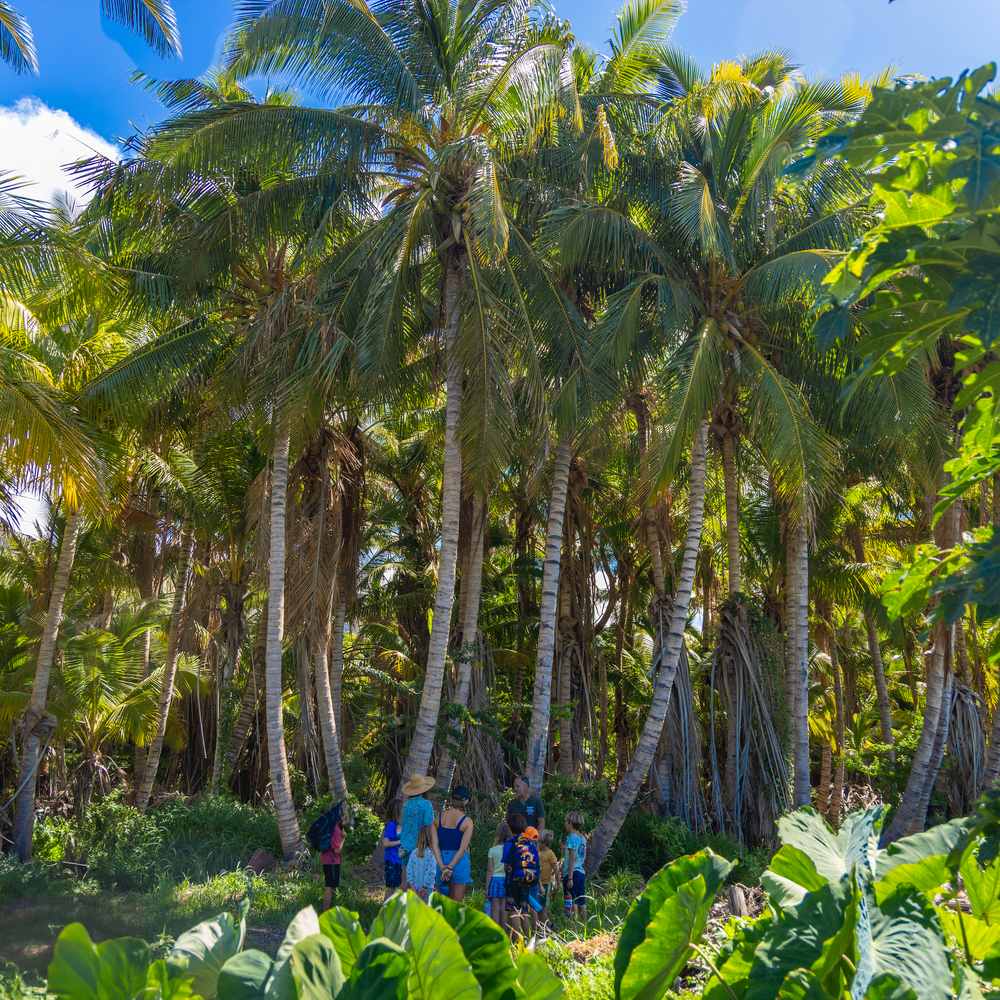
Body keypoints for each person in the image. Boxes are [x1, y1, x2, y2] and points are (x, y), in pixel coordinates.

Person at [432, 785, 474, 903]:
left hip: (441, 860)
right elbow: (463, 848)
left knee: (442, 903)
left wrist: (442, 866)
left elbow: (434, 846)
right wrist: (450, 867)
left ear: (451, 799)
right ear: (466, 801)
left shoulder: (438, 818)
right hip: (458, 862)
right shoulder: (467, 821)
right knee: (456, 903)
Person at [502, 812, 539, 941]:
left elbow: (505, 865)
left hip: (512, 882)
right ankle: (527, 939)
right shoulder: (530, 842)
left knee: (514, 911)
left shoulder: (508, 844)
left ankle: (517, 941)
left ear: (509, 828)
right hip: (527, 880)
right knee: (524, 910)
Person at [399, 774, 435, 890]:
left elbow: (404, 826)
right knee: (421, 880)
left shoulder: (406, 805)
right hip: (422, 847)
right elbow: (429, 826)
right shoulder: (426, 805)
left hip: (406, 847)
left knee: (405, 882)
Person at [320, 804, 348, 913]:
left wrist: (344, 806)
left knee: (330, 887)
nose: (345, 816)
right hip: (332, 861)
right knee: (329, 888)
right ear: (339, 814)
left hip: (326, 860)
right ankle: (324, 914)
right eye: (344, 814)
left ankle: (325, 912)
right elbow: (337, 850)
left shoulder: (331, 825)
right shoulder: (336, 830)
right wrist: (343, 838)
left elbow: (346, 821)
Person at [563, 811, 587, 924]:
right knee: (581, 900)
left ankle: (574, 925)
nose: (565, 824)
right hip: (581, 872)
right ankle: (584, 924)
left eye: (566, 822)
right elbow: (583, 856)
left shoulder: (571, 838)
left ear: (571, 823)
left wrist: (570, 878)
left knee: (572, 899)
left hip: (572, 872)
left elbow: (572, 858)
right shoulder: (582, 838)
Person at [485, 822, 509, 927]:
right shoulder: (510, 849)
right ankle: (504, 931)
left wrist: (487, 886)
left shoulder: (492, 850)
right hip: (506, 880)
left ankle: (496, 932)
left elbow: (490, 870)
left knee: (495, 909)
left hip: (495, 880)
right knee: (504, 909)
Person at [406, 824, 437, 901]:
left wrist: (413, 887)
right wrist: (424, 887)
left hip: (415, 888)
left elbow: (409, 871)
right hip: (427, 888)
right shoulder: (432, 854)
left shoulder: (413, 853)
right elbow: (431, 872)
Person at [381, 800, 403, 901]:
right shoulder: (391, 825)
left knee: (397, 887)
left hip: (399, 860)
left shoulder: (399, 825)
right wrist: (400, 842)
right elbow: (386, 843)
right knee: (391, 888)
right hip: (392, 860)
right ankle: (385, 909)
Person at [537, 828, 558, 927]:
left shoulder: (550, 854)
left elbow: (556, 869)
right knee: (537, 906)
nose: (537, 843)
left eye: (539, 841)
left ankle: (543, 927)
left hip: (546, 883)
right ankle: (547, 924)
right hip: (538, 882)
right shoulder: (537, 852)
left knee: (542, 907)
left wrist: (558, 884)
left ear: (544, 843)